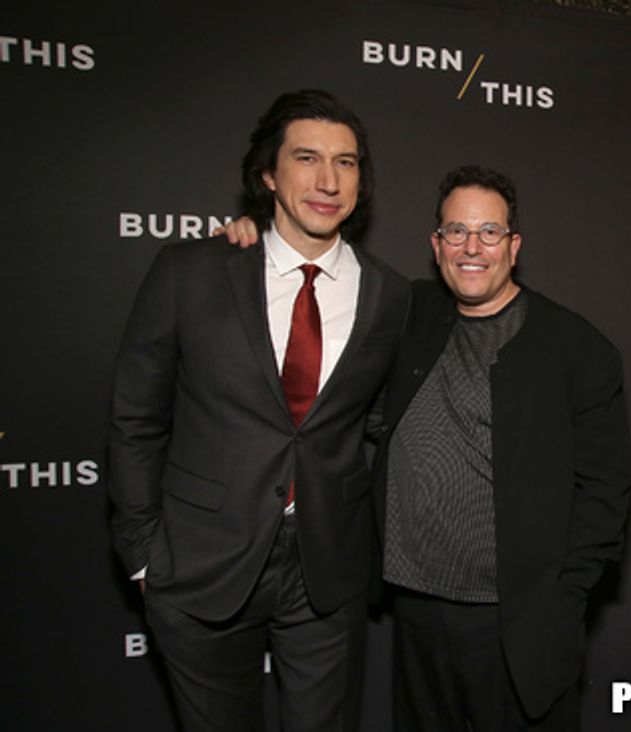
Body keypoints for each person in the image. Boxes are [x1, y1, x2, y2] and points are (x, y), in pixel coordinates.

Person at [220, 165, 631, 731]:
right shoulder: (406, 311)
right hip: (413, 611)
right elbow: (320, 273)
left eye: (489, 232)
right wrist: (253, 238)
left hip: (516, 624)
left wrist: (562, 599)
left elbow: (607, 491)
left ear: (514, 245)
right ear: (435, 244)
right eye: (456, 232)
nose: (472, 248)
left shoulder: (577, 349)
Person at [107, 89, 411, 732]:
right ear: (269, 174)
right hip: (200, 561)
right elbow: (137, 416)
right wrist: (142, 552)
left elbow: (383, 418)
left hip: (326, 569)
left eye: (347, 162)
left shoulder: (390, 294)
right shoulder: (192, 271)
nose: (328, 180)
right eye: (307, 158)